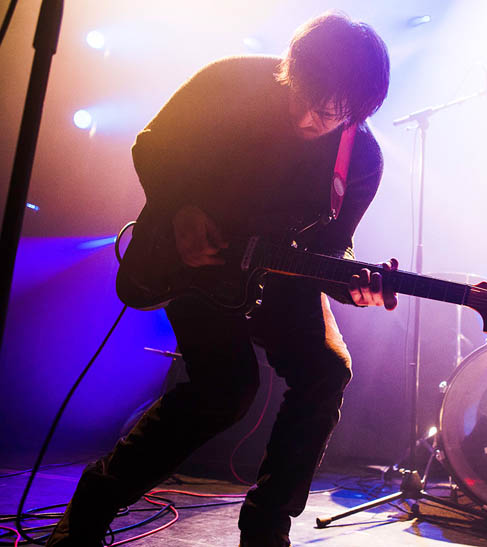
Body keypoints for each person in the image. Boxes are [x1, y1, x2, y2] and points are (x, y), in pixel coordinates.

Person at [48, 12, 394, 547]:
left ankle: (266, 528)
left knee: (327, 370)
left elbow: (331, 249)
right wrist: (183, 208)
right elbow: (152, 145)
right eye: (305, 97)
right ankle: (95, 501)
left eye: (331, 115)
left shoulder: (362, 159)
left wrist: (355, 283)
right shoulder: (230, 81)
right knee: (227, 388)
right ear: (292, 70)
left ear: (359, 108)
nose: (309, 120)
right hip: (194, 259)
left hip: (278, 274)